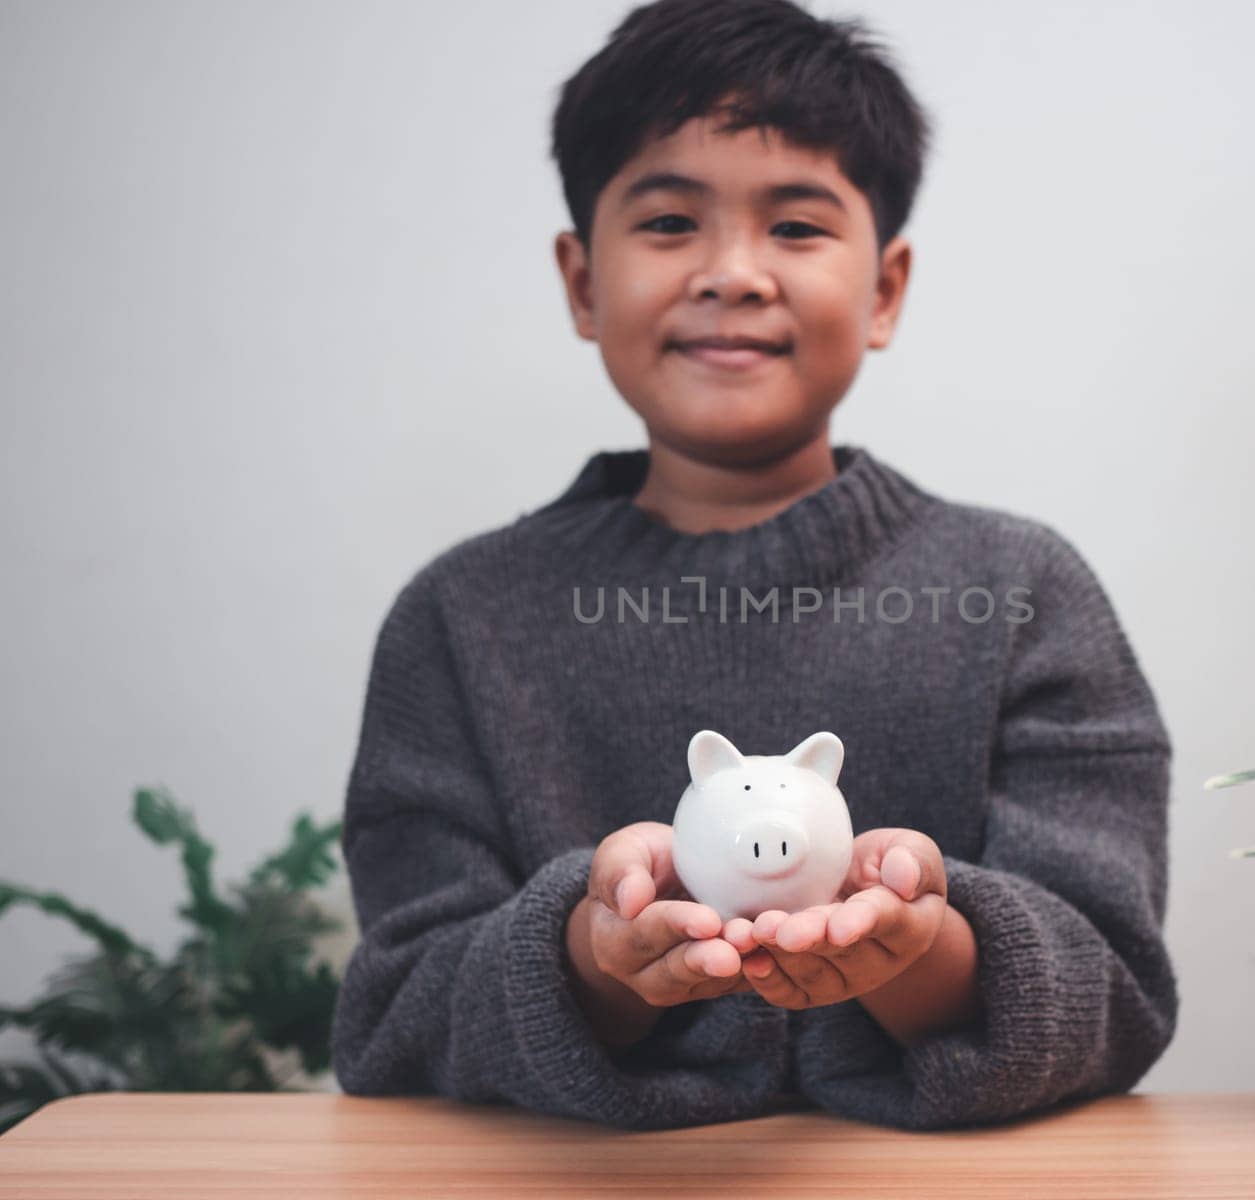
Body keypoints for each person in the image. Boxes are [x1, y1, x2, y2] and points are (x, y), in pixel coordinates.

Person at [331, 0, 1178, 1131]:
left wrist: (914, 946)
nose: (733, 273)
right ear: (583, 282)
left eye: (794, 227)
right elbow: (395, 1014)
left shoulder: (1019, 593)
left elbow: (1115, 989)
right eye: (672, 221)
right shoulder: (460, 616)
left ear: (883, 288)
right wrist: (592, 956)